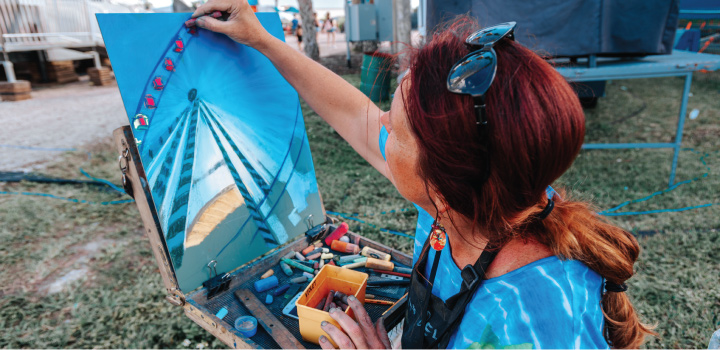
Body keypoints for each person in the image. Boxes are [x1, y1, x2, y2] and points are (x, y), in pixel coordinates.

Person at [187, 2, 656, 349]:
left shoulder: (525, 325)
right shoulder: (482, 194)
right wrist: (264, 40)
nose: (382, 128)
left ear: (443, 183)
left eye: (397, 129)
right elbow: (355, 117)